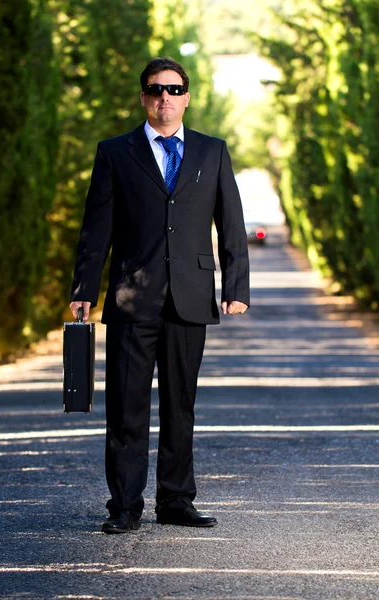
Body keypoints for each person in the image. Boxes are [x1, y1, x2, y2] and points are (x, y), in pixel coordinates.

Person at [69, 57, 250, 534]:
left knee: (180, 405)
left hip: (191, 296)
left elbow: (230, 222)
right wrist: (84, 288)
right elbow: (96, 227)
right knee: (126, 406)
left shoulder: (212, 152)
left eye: (173, 90)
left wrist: (236, 287)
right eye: (154, 89)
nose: (164, 98)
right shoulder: (115, 152)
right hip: (132, 298)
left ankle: (176, 501)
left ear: (187, 97)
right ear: (143, 97)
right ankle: (125, 507)